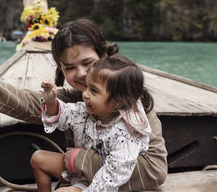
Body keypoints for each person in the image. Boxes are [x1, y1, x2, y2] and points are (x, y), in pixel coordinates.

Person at [0, 18, 167, 191]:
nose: (80, 74)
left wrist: (78, 159)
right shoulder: (76, 101)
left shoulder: (134, 105)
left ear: (104, 56)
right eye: (69, 68)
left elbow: (155, 171)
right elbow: (23, 101)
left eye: (88, 62)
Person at [32, 54, 153, 192]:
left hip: (107, 185)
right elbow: (65, 114)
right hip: (79, 171)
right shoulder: (87, 111)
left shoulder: (125, 134)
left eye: (94, 90)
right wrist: (51, 102)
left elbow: (112, 178)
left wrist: (78, 189)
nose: (85, 94)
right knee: (38, 158)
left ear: (118, 101)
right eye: (87, 87)